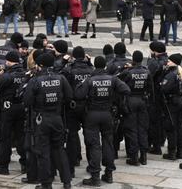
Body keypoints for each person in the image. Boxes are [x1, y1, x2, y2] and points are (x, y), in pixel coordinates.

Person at [76, 56, 131, 187]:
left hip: (92, 115)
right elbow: (126, 90)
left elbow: (78, 95)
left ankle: (95, 176)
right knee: (108, 143)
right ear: (105, 66)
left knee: (94, 145)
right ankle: (109, 173)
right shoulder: (113, 79)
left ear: (95, 66)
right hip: (107, 114)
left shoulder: (90, 80)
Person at [23, 52, 73, 189]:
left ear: (40, 65)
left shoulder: (35, 80)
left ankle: (46, 183)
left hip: (41, 119)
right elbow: (69, 97)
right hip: (57, 118)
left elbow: (26, 101)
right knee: (59, 150)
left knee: (43, 152)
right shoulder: (61, 78)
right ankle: (67, 182)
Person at [0, 51, 27, 175]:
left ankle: (3, 166)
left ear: (9, 61)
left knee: (4, 138)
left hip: (7, 109)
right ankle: (25, 165)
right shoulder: (25, 74)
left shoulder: (7, 76)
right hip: (21, 108)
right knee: (21, 137)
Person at [62, 46, 94, 177]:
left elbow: (59, 76)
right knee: (90, 135)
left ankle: (73, 163)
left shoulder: (69, 70)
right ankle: (92, 163)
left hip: (73, 106)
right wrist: (89, 62)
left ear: (73, 57)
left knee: (72, 136)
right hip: (88, 105)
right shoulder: (90, 69)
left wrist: (64, 62)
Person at [119, 51, 153, 166]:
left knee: (132, 129)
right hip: (143, 100)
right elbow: (150, 89)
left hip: (131, 100)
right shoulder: (146, 71)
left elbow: (120, 83)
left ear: (133, 60)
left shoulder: (128, 72)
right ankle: (143, 156)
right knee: (142, 129)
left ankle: (134, 157)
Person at [160, 53, 182, 160]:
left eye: (169, 61)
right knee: (179, 127)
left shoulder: (171, 74)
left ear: (174, 62)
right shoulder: (181, 71)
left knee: (171, 127)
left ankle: (171, 152)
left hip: (172, 102)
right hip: (180, 101)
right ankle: (180, 152)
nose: (167, 62)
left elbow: (164, 88)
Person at [147, 41, 168, 155]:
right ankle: (161, 141)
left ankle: (155, 146)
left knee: (153, 121)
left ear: (155, 51)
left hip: (155, 96)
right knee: (162, 120)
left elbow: (148, 76)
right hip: (165, 96)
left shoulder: (155, 63)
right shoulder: (168, 61)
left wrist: (150, 62)